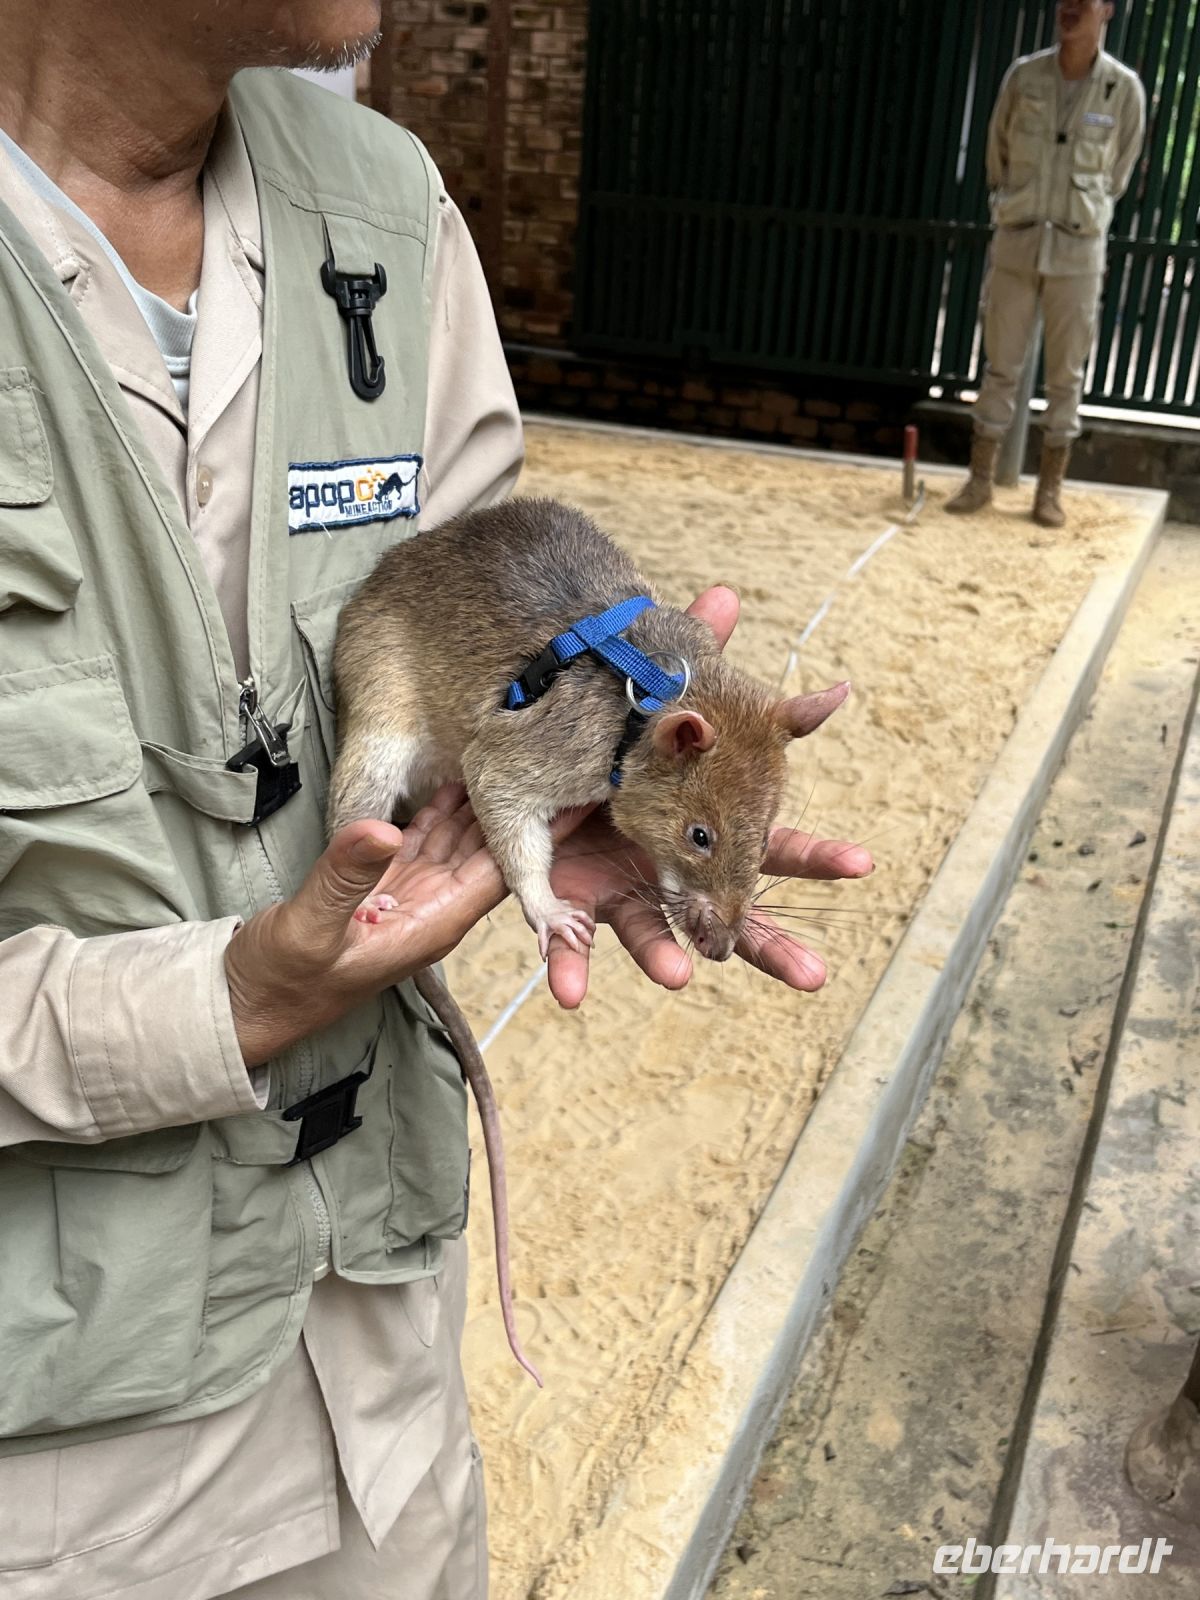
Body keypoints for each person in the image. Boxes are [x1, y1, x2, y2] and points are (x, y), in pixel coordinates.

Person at [0, 4, 874, 1596]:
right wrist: (224, 1003)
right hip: (69, 1491)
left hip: (385, 1400)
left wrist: (607, 777)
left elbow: (497, 609)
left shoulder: (389, 208)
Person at [945, 0, 1145, 527]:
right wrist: (1017, 205)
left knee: (1066, 375)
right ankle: (981, 479)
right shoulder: (1024, 75)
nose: (1071, 7)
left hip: (1079, 250)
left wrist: (1083, 209)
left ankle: (1049, 490)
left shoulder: (1123, 90)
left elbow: (1118, 172)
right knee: (1000, 366)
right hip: (1018, 239)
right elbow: (997, 154)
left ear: (1108, 10)